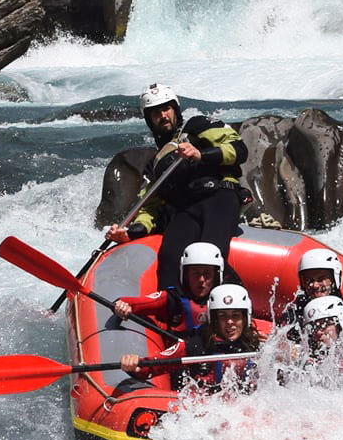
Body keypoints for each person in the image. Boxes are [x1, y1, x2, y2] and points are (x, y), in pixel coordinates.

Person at [104, 83, 250, 294]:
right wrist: (131, 232)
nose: (162, 115)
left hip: (219, 198)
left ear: (175, 109)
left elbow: (238, 149)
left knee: (208, 255)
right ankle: (176, 316)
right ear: (149, 120)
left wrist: (202, 155)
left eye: (166, 109)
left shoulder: (198, 126)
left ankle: (236, 312)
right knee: (170, 259)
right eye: (155, 113)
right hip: (185, 210)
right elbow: (149, 207)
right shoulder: (155, 164)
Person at [119, 284, 265, 394]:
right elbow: (151, 367)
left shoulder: (256, 343)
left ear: (245, 318)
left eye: (235, 316)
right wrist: (134, 366)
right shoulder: (196, 345)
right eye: (222, 316)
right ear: (213, 319)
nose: (230, 322)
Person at [116, 241, 223, 338]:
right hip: (179, 356)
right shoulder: (172, 299)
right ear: (186, 276)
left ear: (216, 276)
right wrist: (121, 306)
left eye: (207, 274)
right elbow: (128, 302)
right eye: (195, 273)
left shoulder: (227, 299)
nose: (201, 279)